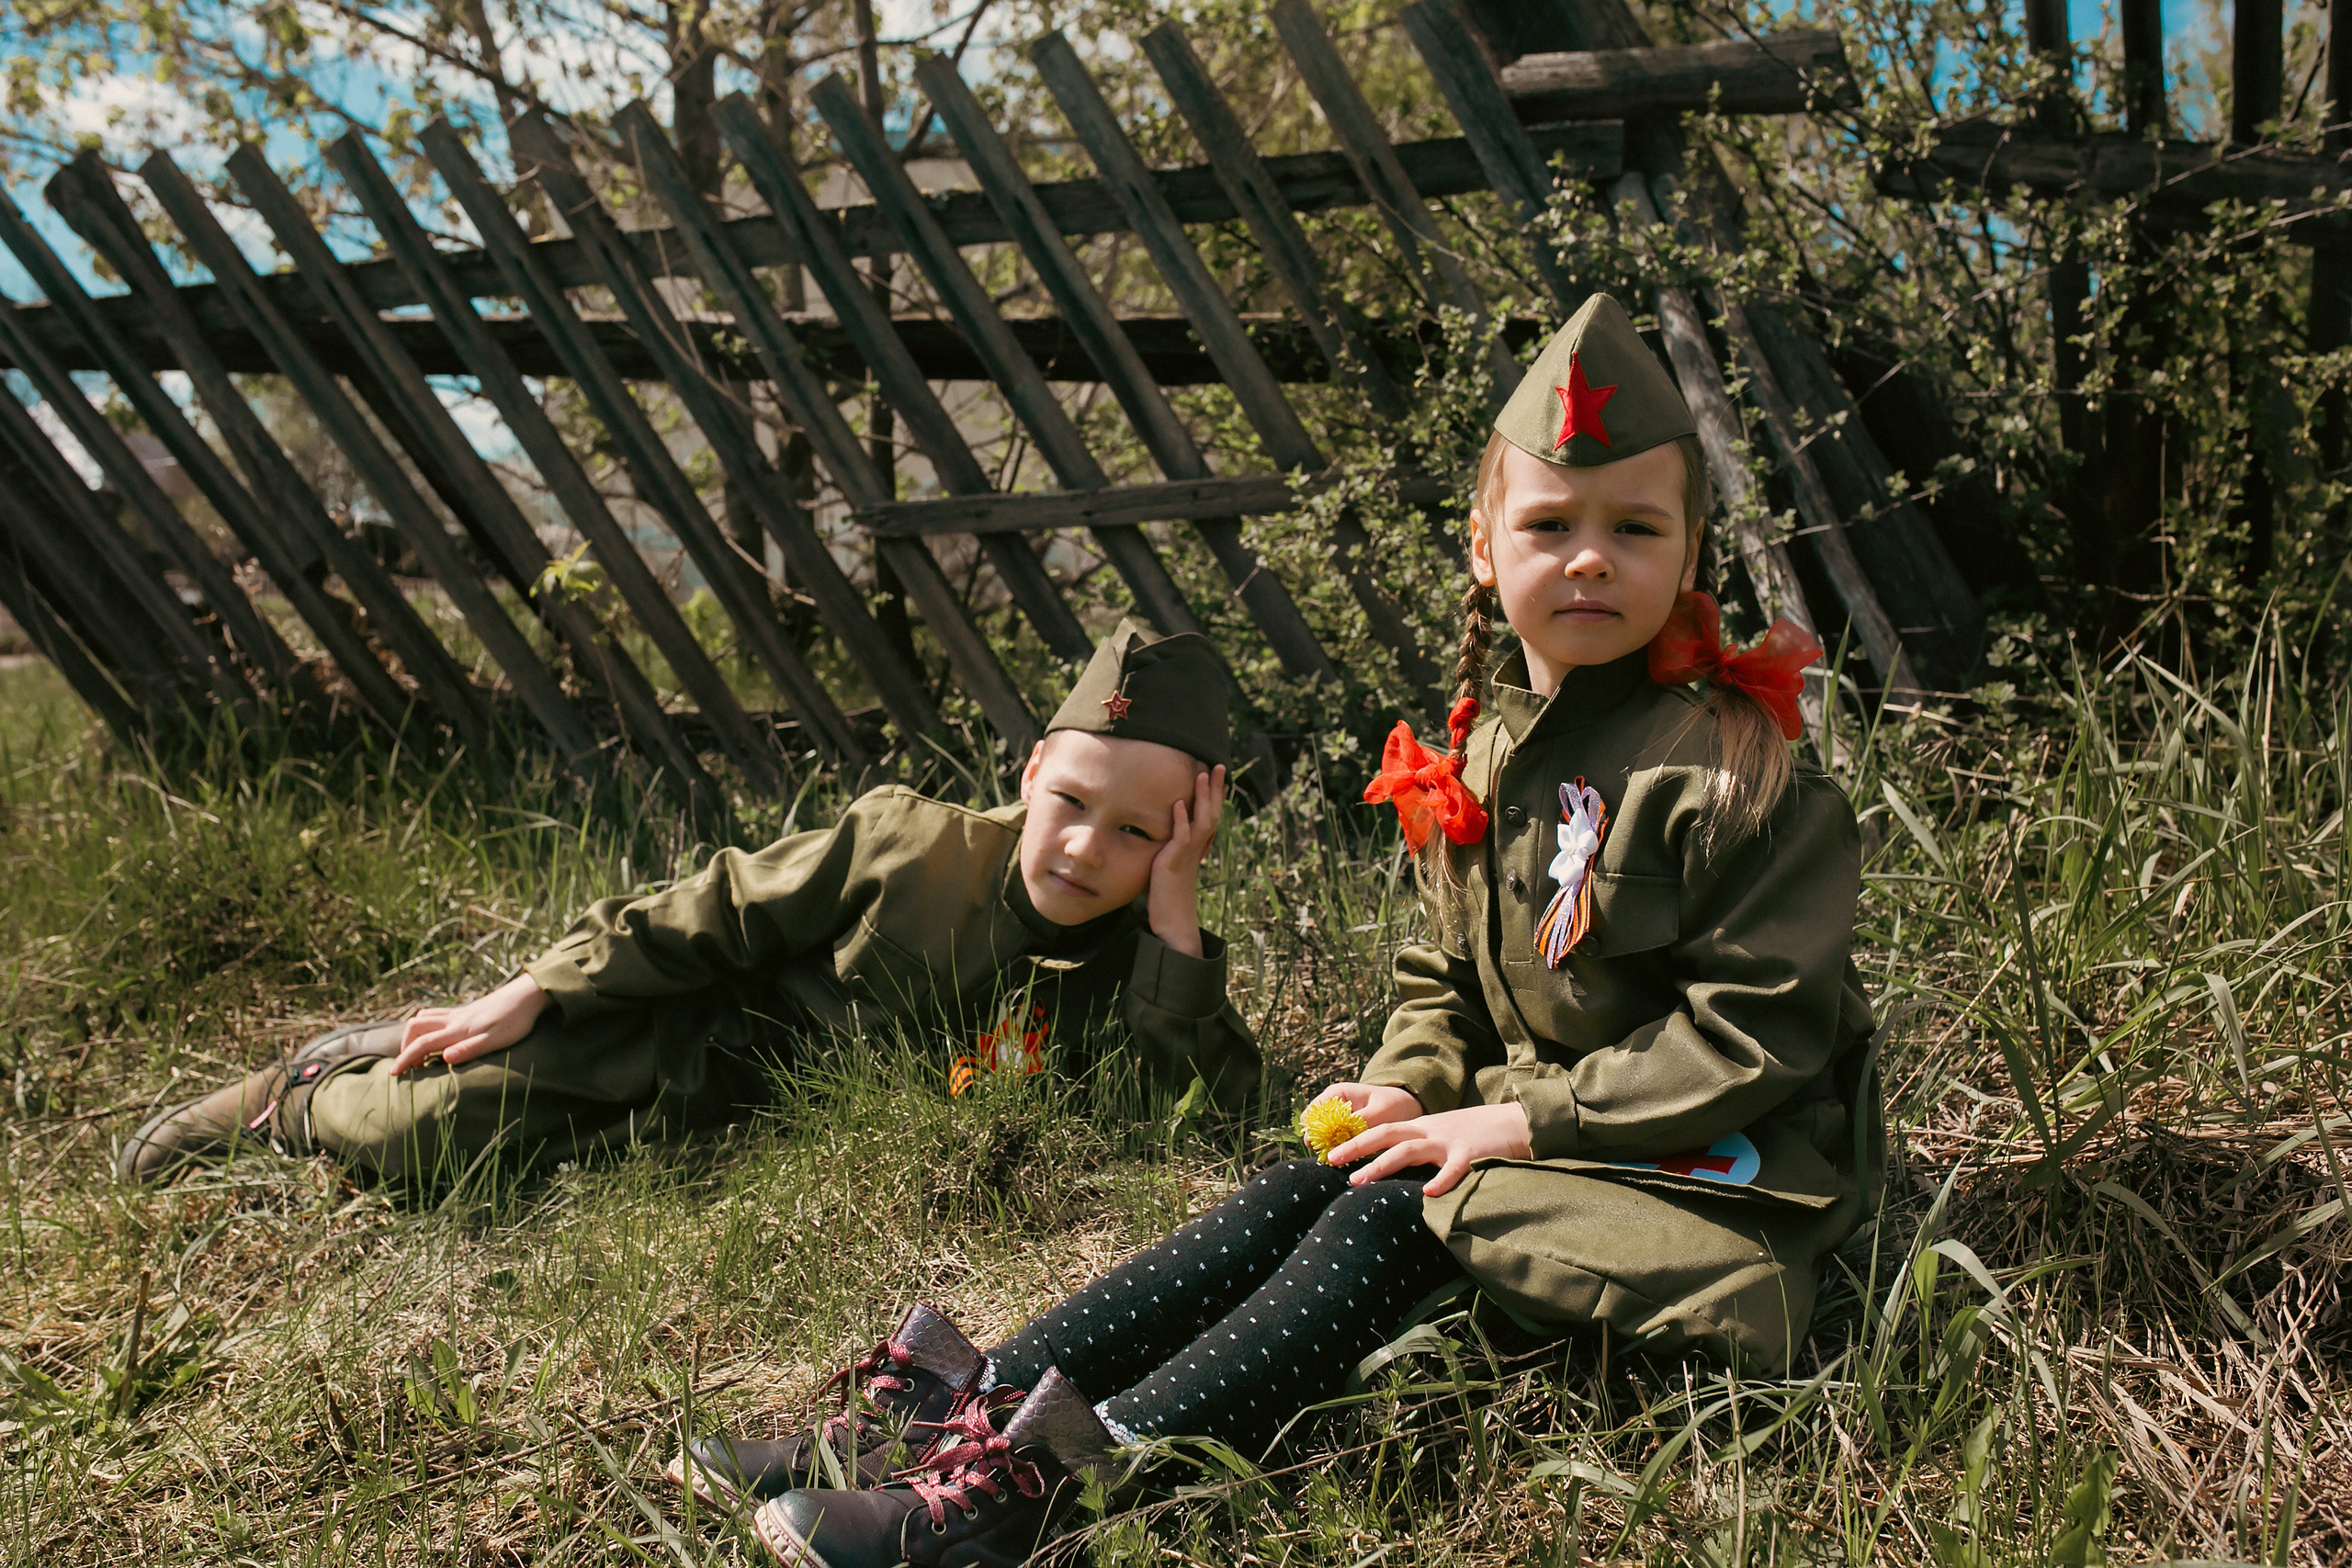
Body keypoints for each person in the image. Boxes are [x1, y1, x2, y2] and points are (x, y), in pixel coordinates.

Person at [700, 294, 1882, 1568]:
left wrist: (1515, 1119)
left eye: (1634, 527)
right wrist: (1407, 1082)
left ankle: (1044, 1498)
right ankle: (953, 1413)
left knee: (1394, 1214)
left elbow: (1757, 1038)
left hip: (1713, 1174)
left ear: (1691, 549)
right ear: (1487, 546)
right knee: (1325, 1174)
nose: (1589, 558)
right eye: (1550, 523)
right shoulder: (1481, 754)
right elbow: (1447, 985)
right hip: (1534, 1132)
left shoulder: (1735, 774)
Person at [117, 621, 1260, 1207]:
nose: (1083, 847)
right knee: (423, 1138)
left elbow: (1199, 1119)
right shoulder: (914, 845)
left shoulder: (1141, 961)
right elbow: (709, 909)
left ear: (1186, 838)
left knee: (533, 1183)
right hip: (666, 1040)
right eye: (1071, 802)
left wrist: (1173, 923)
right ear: (1027, 774)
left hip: (746, 1145)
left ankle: (384, 1056)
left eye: (1138, 832)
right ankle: (299, 1097)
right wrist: (538, 988)